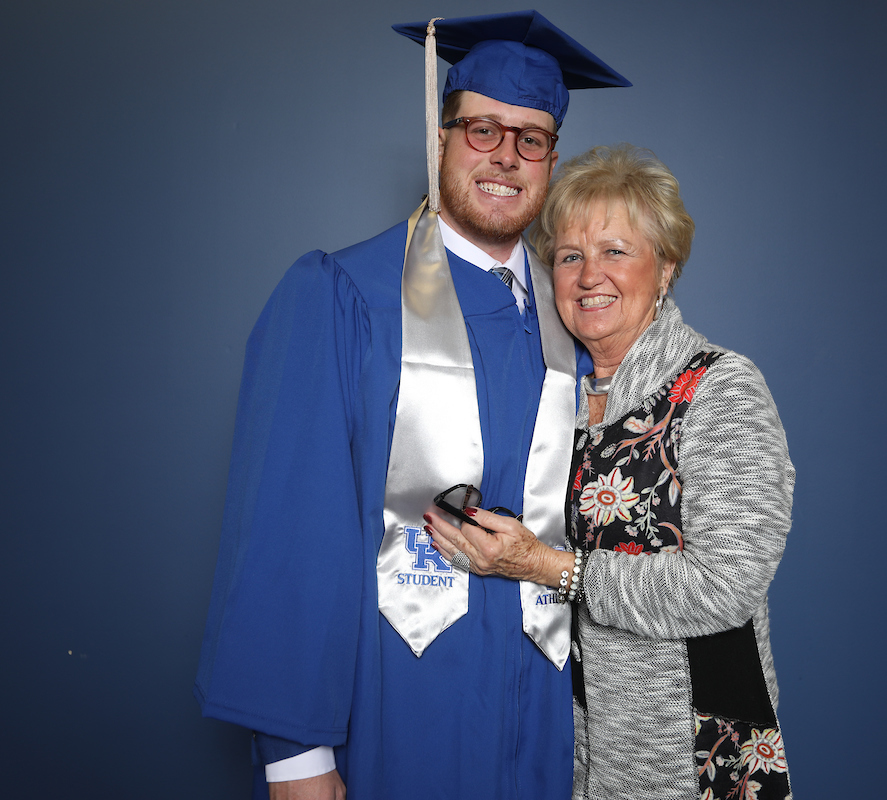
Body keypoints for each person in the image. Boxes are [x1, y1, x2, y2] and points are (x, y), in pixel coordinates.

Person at [194, 12, 630, 800]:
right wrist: (297, 756)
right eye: (482, 130)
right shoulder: (342, 295)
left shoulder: (578, 317)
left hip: (549, 724)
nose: (505, 155)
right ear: (440, 137)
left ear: (552, 161)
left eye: (529, 138)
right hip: (397, 704)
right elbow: (291, 529)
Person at [426, 144, 795, 800]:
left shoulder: (717, 389)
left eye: (615, 251)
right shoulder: (549, 397)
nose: (589, 275)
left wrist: (548, 567)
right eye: (570, 256)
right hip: (563, 748)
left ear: (666, 267)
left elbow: (724, 586)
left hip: (688, 756)